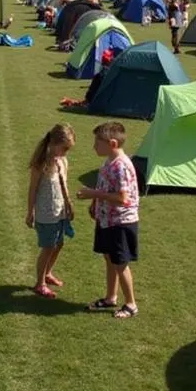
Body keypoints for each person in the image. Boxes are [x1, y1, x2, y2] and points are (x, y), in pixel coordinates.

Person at [77, 122, 139, 319]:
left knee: (120, 263)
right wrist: (95, 204)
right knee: (109, 259)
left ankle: (130, 304)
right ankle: (111, 297)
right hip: (106, 220)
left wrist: (92, 194)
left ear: (112, 143)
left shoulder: (121, 166)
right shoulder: (108, 161)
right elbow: (105, 186)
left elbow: (122, 198)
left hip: (120, 223)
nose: (94, 146)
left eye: (98, 142)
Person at [25, 124, 76, 299]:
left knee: (59, 243)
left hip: (59, 211)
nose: (66, 152)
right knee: (48, 246)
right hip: (46, 213)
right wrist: (30, 211)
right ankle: (40, 283)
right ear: (54, 143)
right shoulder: (42, 164)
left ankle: (48, 272)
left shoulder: (62, 161)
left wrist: (68, 205)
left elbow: (64, 184)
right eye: (65, 148)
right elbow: (32, 189)